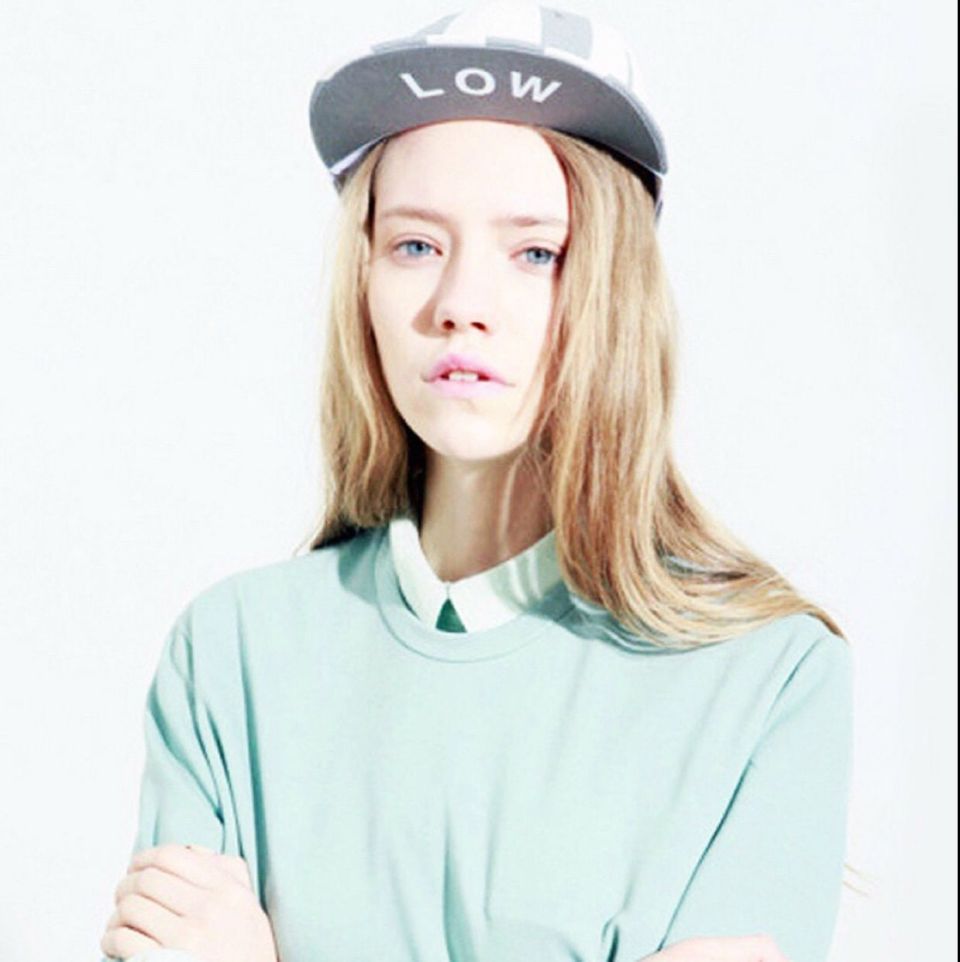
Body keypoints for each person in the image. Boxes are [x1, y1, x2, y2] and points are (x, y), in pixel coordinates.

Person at [98, 3, 855, 962]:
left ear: (613, 288)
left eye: (535, 253)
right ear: (363, 279)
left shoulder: (769, 676)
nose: (461, 306)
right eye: (415, 245)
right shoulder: (231, 655)